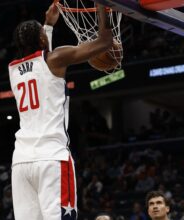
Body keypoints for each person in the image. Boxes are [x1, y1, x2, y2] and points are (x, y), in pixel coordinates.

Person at [9, 2, 114, 220]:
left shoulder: (13, 69)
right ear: (41, 40)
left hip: (21, 162)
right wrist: (104, 7)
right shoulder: (55, 58)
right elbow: (105, 42)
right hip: (51, 158)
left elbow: (41, 61)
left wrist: (47, 25)